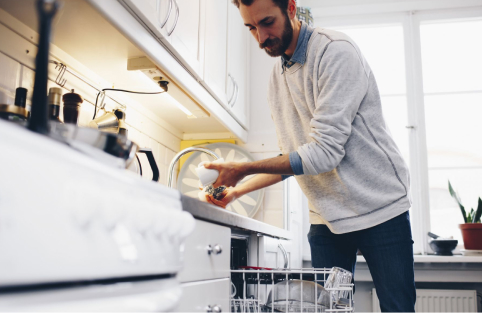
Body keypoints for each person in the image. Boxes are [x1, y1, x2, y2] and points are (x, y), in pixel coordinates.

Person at [204, 0, 416, 311]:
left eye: (267, 22)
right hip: (327, 218)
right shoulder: (277, 79)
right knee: (325, 309)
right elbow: (295, 158)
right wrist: (237, 190)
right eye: (251, 28)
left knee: (398, 308)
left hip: (381, 208)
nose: (261, 38)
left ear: (290, 7)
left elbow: (323, 153)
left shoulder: (335, 52)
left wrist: (243, 168)